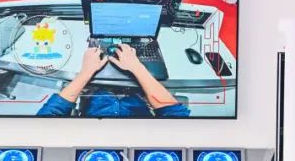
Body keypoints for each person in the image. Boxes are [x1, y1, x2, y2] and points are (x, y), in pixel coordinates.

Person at [37, 44, 190, 118]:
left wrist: (86, 72)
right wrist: (136, 67)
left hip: (97, 94)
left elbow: (50, 114)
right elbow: (175, 113)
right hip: (137, 96)